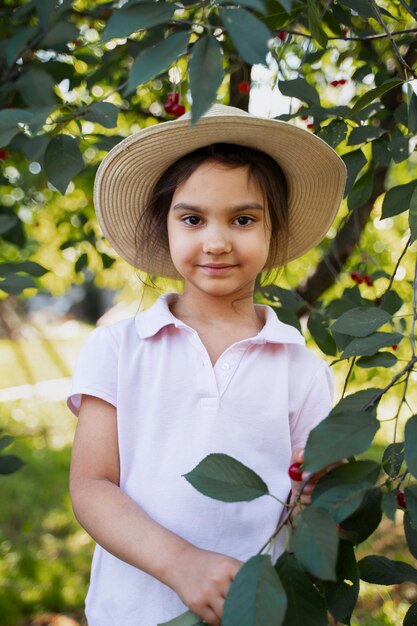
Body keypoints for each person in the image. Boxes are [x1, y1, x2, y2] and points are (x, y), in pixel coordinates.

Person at [68, 104, 346, 626]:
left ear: (272, 231)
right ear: (164, 227)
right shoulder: (118, 350)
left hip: (252, 609)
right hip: (131, 612)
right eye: (193, 219)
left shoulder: (301, 369)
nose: (216, 241)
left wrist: (321, 483)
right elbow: (91, 487)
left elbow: (311, 503)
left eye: (243, 219)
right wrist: (181, 564)